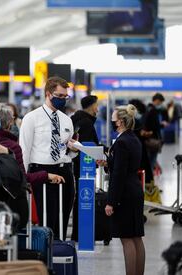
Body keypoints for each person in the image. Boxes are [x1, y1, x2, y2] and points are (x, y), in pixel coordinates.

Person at [20, 76, 78, 239]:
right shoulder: (31, 118)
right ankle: (46, 254)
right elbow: (24, 150)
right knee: (47, 218)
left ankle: (60, 249)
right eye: (59, 96)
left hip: (65, 171)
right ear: (48, 94)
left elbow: (68, 151)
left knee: (64, 215)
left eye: (65, 96)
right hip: (43, 172)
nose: (63, 100)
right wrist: (25, 180)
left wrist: (73, 149)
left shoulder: (66, 120)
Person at [98, 104, 145, 275]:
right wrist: (109, 163)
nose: (111, 121)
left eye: (113, 119)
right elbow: (123, 166)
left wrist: (111, 202)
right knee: (136, 237)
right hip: (135, 189)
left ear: (120, 122)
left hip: (125, 193)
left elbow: (118, 175)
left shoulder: (121, 142)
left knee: (126, 238)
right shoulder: (133, 139)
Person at [70, 95, 100, 241]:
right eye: (96, 105)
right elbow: (87, 147)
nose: (98, 108)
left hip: (74, 165)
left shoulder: (75, 119)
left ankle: (77, 233)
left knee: (77, 200)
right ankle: (80, 234)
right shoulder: (87, 123)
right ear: (91, 106)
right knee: (83, 200)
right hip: (83, 168)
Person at [144, 93, 168, 171]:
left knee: (149, 160)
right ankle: (150, 181)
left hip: (146, 138)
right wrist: (162, 125)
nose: (160, 104)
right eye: (160, 102)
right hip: (153, 139)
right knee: (152, 160)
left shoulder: (147, 108)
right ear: (157, 101)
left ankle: (148, 180)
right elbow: (154, 126)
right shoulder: (153, 110)